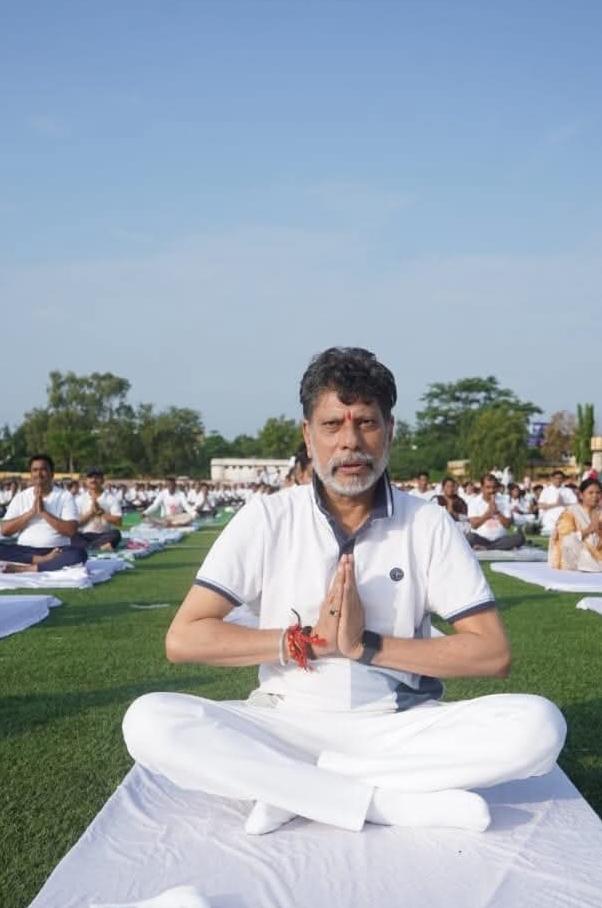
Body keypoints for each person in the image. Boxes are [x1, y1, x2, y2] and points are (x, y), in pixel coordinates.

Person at [123, 347, 566, 837]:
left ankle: (295, 790)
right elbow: (184, 638)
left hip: (396, 727)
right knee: (149, 720)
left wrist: (365, 647)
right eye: (333, 425)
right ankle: (389, 804)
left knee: (540, 727)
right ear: (307, 434)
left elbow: (491, 653)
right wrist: (304, 640)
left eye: (367, 424)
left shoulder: (427, 523)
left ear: (390, 431)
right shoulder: (268, 518)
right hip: (286, 722)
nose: (350, 442)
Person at [0, 455, 87, 573]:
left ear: (52, 474)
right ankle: (42, 561)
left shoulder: (64, 496)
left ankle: (28, 568)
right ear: (31, 474)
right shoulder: (21, 497)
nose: (39, 473)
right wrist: (31, 512)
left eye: (43, 469)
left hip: (57, 550)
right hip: (25, 551)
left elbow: (71, 531)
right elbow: (5, 531)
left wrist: (43, 512)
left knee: (79, 554)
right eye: (35, 470)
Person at [465, 474, 525, 550]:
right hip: (480, 539)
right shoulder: (474, 501)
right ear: (482, 488)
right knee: (469, 537)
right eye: (488, 487)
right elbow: (474, 525)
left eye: (494, 487)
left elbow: (507, 525)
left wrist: (497, 512)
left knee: (520, 538)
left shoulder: (504, 500)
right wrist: (489, 512)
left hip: (500, 539)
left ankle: (488, 548)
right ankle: (492, 547)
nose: (491, 490)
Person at [73, 468, 123, 551]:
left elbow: (119, 522)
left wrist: (102, 513)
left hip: (103, 535)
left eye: (97, 477)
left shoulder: (111, 499)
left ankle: (89, 547)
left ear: (103, 480)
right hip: (84, 535)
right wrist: (90, 513)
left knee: (116, 534)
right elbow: (74, 525)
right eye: (90, 477)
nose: (93, 480)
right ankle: (99, 547)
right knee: (71, 536)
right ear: (86, 481)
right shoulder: (79, 499)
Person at [538, 470, 576, 536]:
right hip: (550, 515)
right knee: (551, 528)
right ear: (552, 479)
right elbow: (540, 506)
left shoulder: (568, 490)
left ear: (563, 479)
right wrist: (556, 504)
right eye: (557, 478)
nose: (559, 480)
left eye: (561, 478)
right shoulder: (546, 490)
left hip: (565, 515)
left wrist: (563, 503)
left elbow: (576, 505)